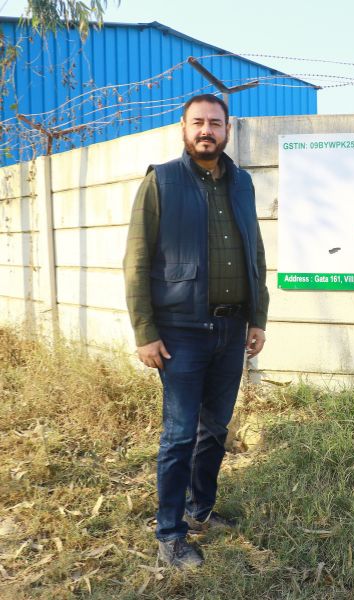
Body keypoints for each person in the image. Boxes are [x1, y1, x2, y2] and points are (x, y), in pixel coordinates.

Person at [123, 93, 268, 569]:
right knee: (180, 434)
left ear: (228, 129)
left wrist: (257, 317)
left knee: (215, 430)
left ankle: (199, 508)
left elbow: (255, 252)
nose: (207, 130)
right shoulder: (161, 181)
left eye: (215, 123)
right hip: (181, 332)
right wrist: (145, 331)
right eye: (198, 122)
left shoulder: (242, 183)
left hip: (231, 327)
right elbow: (137, 260)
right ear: (184, 129)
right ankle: (170, 534)